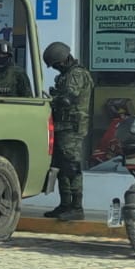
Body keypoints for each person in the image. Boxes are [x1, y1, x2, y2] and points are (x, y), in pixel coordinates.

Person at [43, 41, 95, 221]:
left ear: (63, 60)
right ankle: (65, 204)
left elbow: (68, 99)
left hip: (72, 128)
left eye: (56, 65)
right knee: (60, 166)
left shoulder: (77, 74)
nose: (56, 69)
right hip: (61, 127)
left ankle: (76, 206)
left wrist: (53, 100)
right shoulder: (65, 76)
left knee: (72, 167)